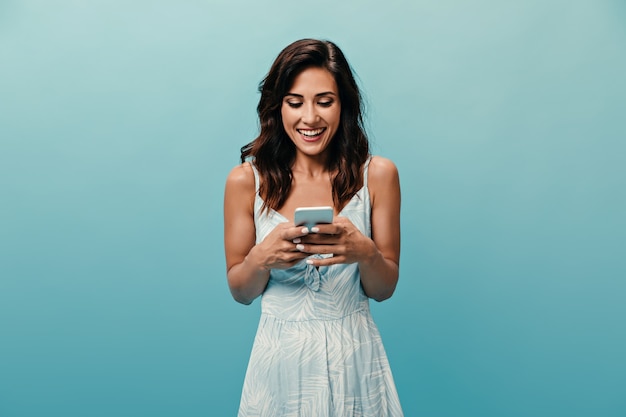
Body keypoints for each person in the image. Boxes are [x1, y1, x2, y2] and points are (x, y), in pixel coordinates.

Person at [223, 38, 403, 417]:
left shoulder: (379, 175)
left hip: (354, 356)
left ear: (344, 105)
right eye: (295, 102)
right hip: (279, 363)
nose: (310, 118)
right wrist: (262, 258)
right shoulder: (245, 181)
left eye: (325, 101)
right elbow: (241, 291)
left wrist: (365, 252)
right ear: (277, 107)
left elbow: (384, 289)